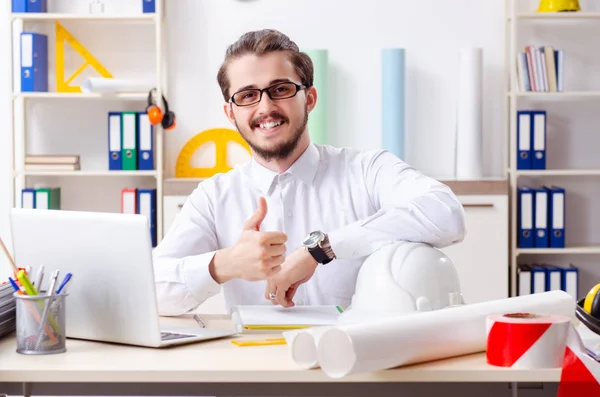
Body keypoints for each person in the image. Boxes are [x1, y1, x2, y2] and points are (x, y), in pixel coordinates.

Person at [152, 29, 467, 316]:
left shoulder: (366, 171)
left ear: (310, 99)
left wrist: (322, 249)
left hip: (355, 367)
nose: (265, 107)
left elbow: (446, 213)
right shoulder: (213, 197)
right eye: (248, 95)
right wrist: (224, 264)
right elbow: (150, 290)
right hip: (252, 369)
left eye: (280, 89)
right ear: (230, 112)